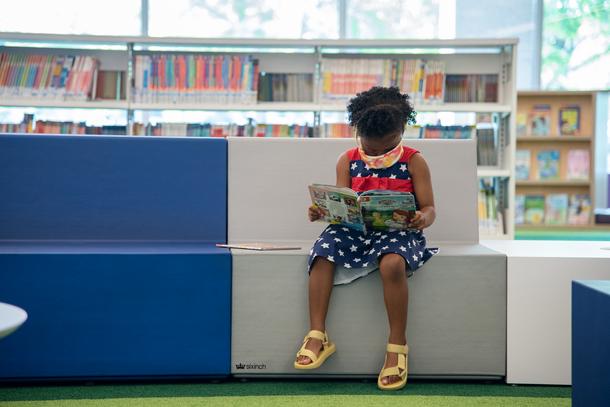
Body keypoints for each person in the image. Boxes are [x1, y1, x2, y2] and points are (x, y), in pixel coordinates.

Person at [293, 86, 438, 391]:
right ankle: (318, 333)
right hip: (356, 230)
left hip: (399, 232)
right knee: (322, 251)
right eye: (370, 148)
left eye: (385, 148)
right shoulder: (347, 159)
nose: (376, 155)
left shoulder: (414, 161)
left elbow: (429, 208)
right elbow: (342, 203)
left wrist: (422, 218)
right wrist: (322, 211)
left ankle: (397, 345)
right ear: (357, 131)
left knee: (392, 264)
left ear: (401, 131)